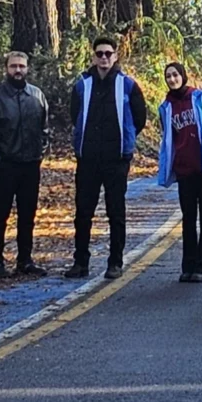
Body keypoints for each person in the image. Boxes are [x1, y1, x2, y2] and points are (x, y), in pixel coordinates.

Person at [65, 38, 148, 280]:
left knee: (116, 211)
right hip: (88, 158)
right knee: (83, 212)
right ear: (93, 56)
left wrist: (125, 141)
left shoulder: (128, 85)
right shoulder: (82, 85)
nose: (103, 58)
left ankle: (115, 262)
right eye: (99, 53)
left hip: (116, 159)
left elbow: (139, 118)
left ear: (115, 56)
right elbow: (75, 115)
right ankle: (80, 262)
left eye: (108, 53)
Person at [0, 51, 51, 280]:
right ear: (6, 69)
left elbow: (45, 128)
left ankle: (25, 261)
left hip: (30, 166)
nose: (17, 70)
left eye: (21, 66)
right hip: (5, 167)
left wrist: (41, 153)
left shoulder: (36, 96)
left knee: (27, 215)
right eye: (13, 66)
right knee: (0, 215)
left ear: (27, 68)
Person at [157, 62, 202, 283]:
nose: (173, 79)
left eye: (176, 75)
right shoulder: (166, 107)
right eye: (169, 76)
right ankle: (188, 266)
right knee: (188, 219)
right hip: (185, 170)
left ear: (183, 76)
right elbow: (168, 138)